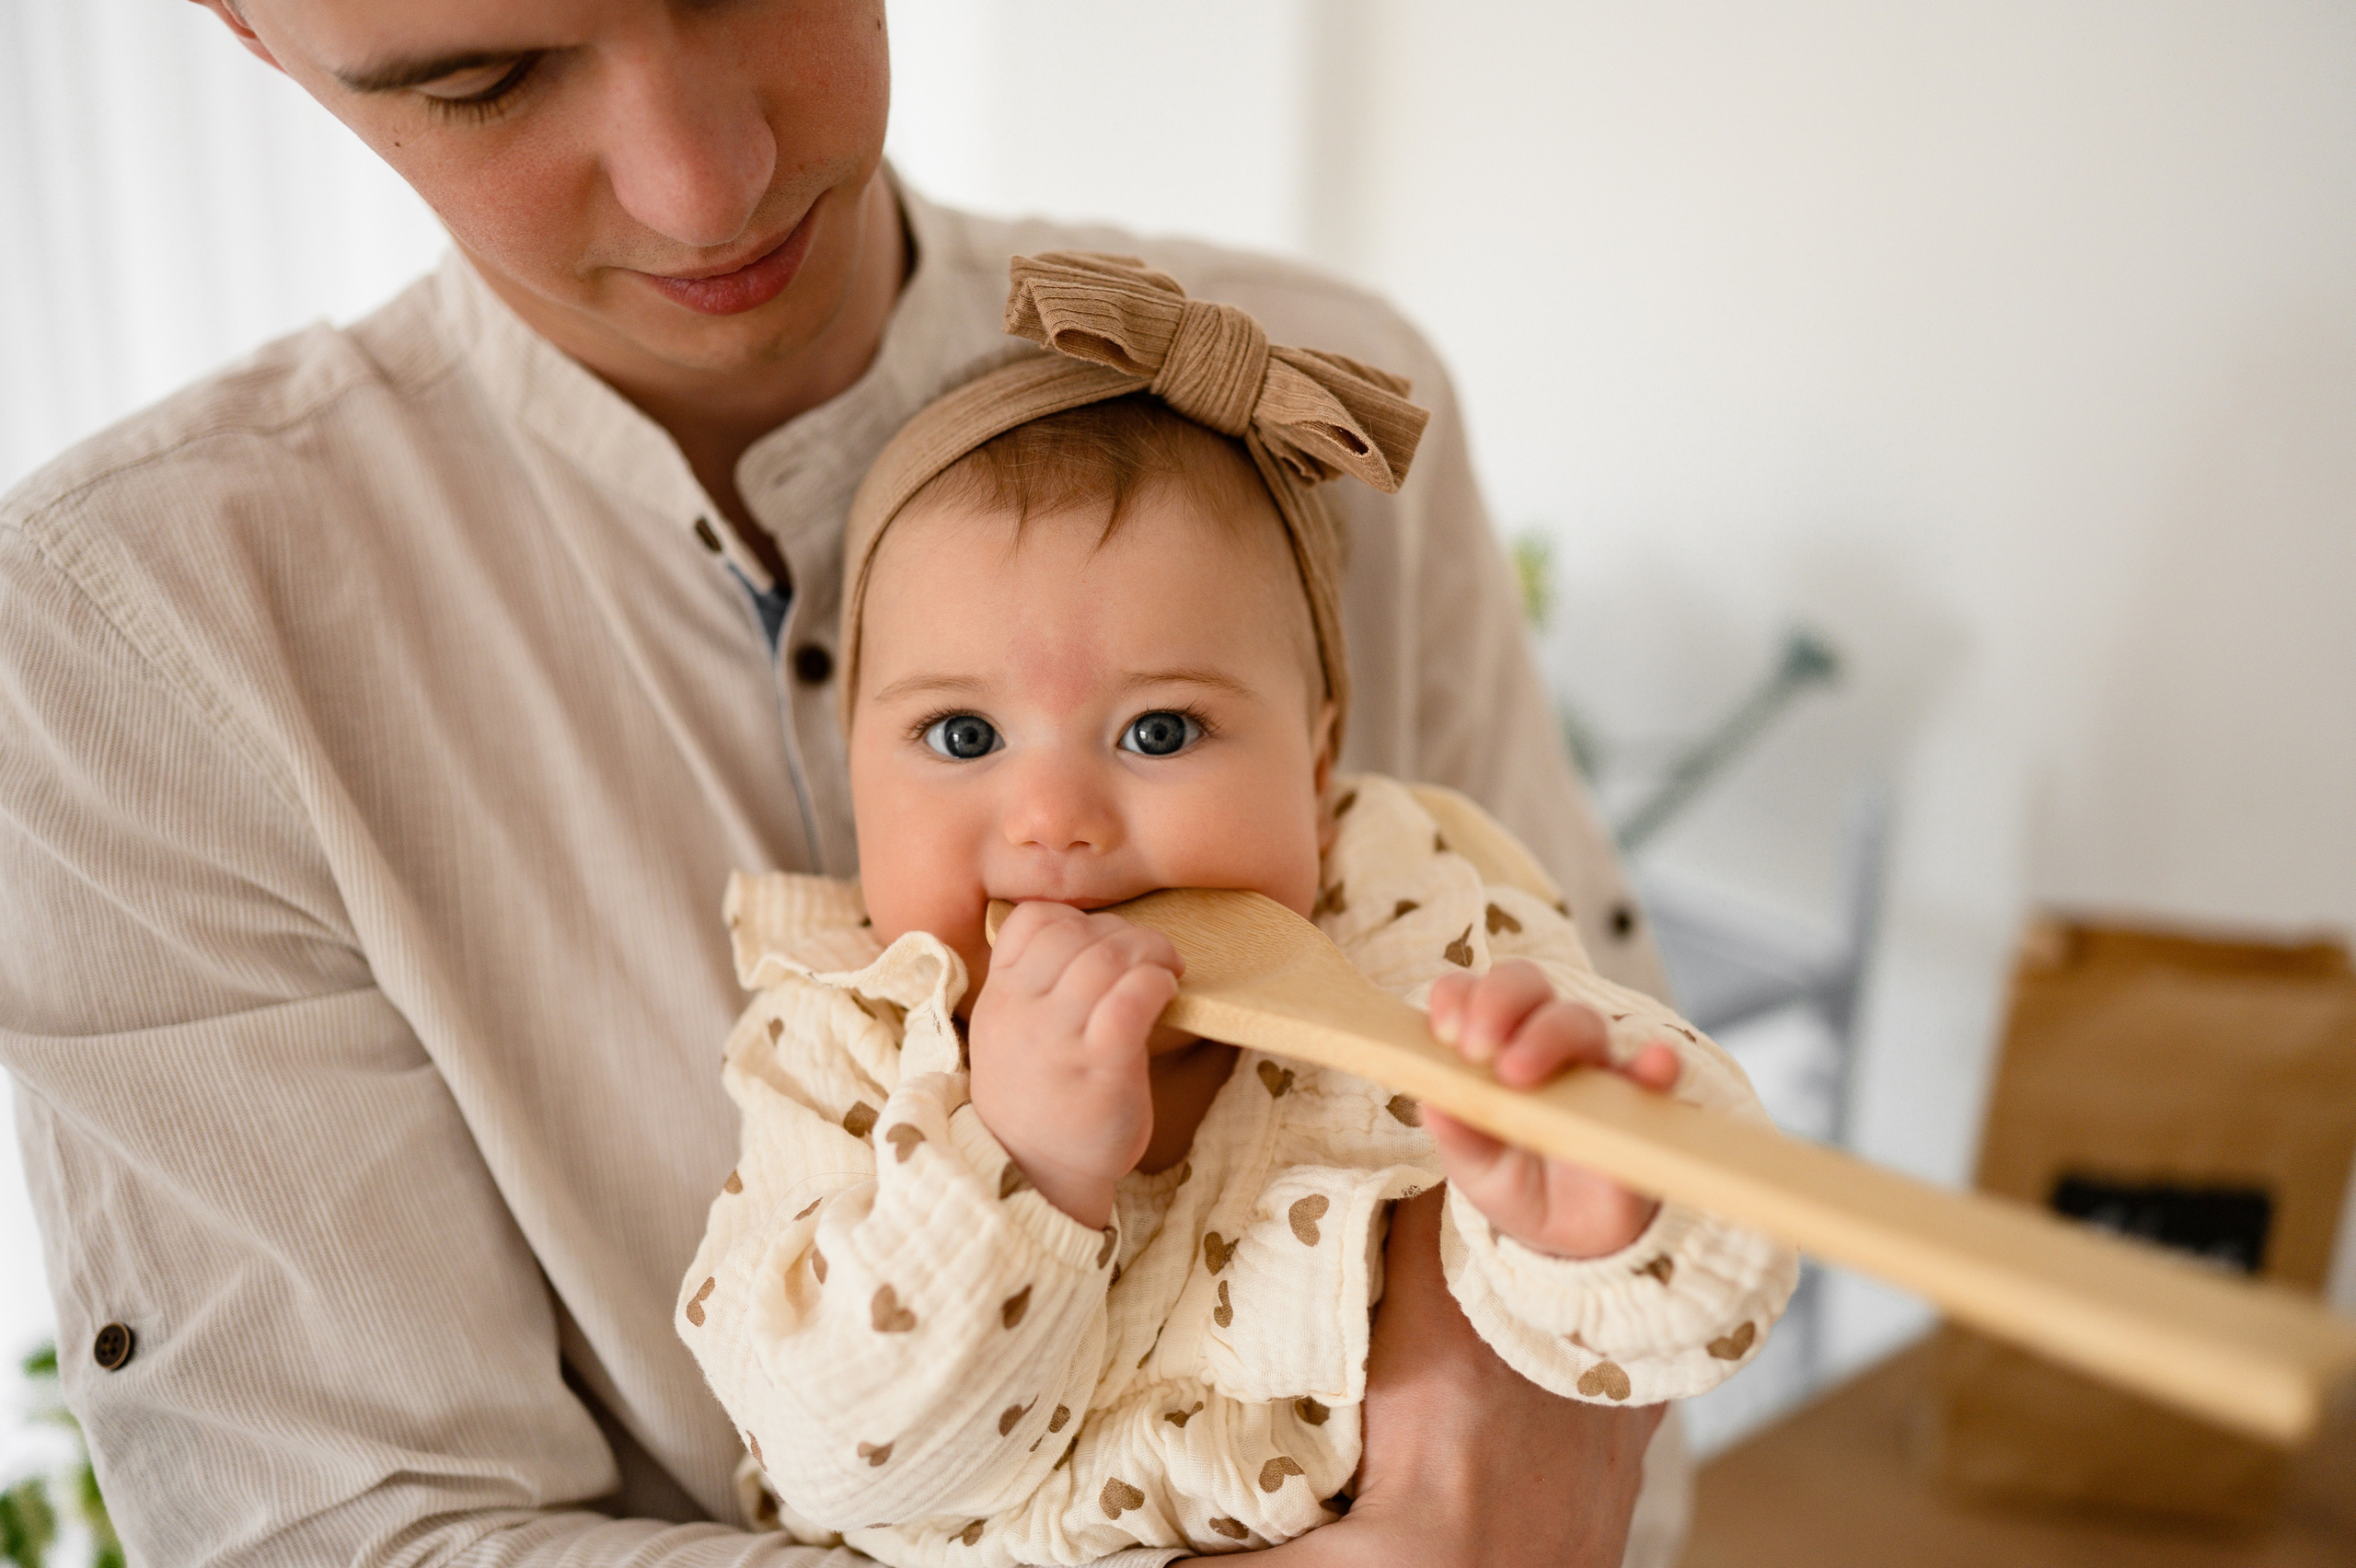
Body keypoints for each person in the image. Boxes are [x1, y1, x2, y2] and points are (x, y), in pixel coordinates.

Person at [0, 2, 1689, 1563]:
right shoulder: (128, 642)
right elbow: (353, 1535)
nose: (702, 187)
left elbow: (1647, 1245)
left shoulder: (1324, 405)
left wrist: (1599, 1243)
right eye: (483, 76)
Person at [681, 254, 1797, 1565]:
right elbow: (833, 1461)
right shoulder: (845, 1049)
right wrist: (1021, 1168)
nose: (1055, 820)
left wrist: (1591, 1227)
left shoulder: (1412, 925)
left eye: (1159, 728)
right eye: (963, 732)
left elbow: (1653, 1341)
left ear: (1319, 770)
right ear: (851, 775)